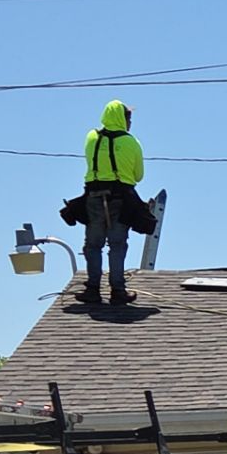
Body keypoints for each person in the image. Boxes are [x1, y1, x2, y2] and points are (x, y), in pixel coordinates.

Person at [80, 99, 144, 305]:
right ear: (122, 119)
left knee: (93, 245)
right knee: (117, 245)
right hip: (120, 199)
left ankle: (92, 289)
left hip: (94, 197)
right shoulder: (131, 142)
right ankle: (118, 291)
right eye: (129, 119)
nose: (130, 124)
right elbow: (138, 175)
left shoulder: (92, 137)